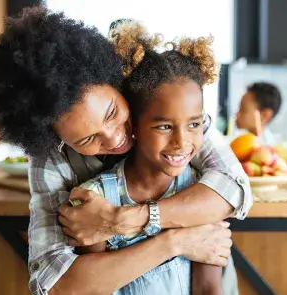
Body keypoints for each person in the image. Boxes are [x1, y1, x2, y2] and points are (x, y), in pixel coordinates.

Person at [0, 6, 252, 295]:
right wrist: (175, 242)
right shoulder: (54, 163)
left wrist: (122, 220)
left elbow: (235, 189)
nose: (115, 137)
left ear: (114, 80)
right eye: (87, 139)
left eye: (112, 112)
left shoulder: (168, 112)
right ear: (57, 140)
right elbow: (57, 286)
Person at [74, 21, 224, 294]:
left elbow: (209, 288)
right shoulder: (96, 200)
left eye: (194, 124)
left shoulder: (201, 196)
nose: (181, 142)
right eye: (164, 127)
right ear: (133, 126)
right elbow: (94, 286)